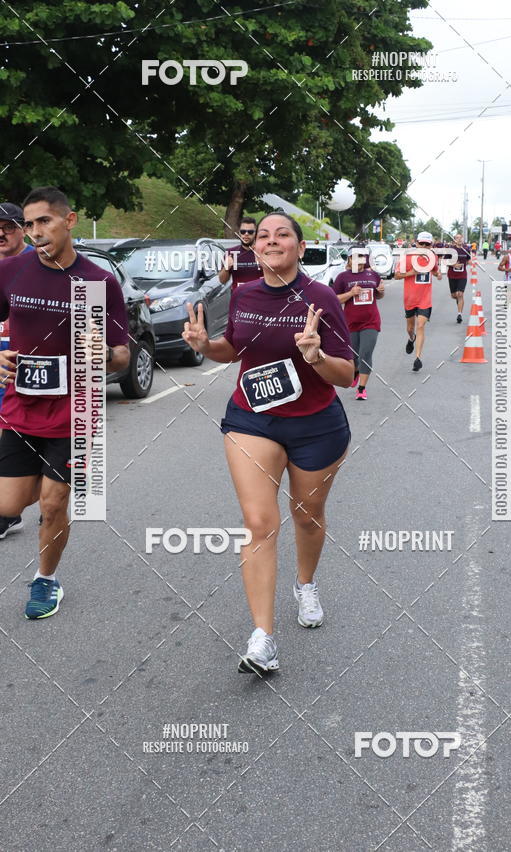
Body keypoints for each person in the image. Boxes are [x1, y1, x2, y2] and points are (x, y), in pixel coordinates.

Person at [182, 212, 354, 676]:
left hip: (316, 425)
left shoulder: (320, 298)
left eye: (283, 235)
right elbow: (233, 349)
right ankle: (263, 639)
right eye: (263, 235)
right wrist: (205, 346)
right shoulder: (244, 294)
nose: (272, 241)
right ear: (254, 247)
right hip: (252, 419)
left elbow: (347, 374)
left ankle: (306, 584)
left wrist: (316, 356)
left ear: (300, 247)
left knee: (307, 515)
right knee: (259, 524)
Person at [0, 186, 130, 617]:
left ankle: (46, 580)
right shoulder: (11, 271)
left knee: (55, 504)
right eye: (29, 224)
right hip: (21, 407)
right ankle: (47, 483)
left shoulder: (97, 282)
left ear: (69, 221)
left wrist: (103, 355)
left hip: (76, 410)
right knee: (9, 505)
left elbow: (122, 355)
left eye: (45, 221)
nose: (36, 232)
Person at [0, 203, 35, 428]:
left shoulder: (41, 263)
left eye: (8, 227)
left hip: (27, 368)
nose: (1, 234)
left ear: (24, 229)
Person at [333, 247, 384, 400]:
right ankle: (355, 371)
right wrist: (350, 293)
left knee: (365, 353)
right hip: (350, 323)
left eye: (361, 257)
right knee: (353, 356)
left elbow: (379, 295)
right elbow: (335, 300)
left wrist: (381, 291)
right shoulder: (342, 277)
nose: (358, 260)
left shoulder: (373, 275)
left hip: (371, 321)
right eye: (354, 257)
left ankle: (361, 389)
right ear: (349, 259)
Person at [394, 230, 442, 372]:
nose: (424, 247)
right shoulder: (407, 257)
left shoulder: (432, 257)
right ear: (416, 243)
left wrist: (438, 274)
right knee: (410, 329)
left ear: (431, 245)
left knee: (420, 325)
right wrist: (412, 272)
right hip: (410, 299)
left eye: (427, 244)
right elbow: (396, 275)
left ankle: (417, 358)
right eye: (422, 244)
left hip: (425, 299)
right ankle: (411, 339)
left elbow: (434, 271)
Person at [217, 216, 261, 290]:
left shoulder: (263, 252)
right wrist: (226, 268)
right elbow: (222, 281)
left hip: (258, 295)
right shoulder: (231, 252)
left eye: (250, 232)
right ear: (239, 232)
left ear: (255, 233)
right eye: (243, 231)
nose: (246, 234)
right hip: (238, 296)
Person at [446, 232, 471, 324]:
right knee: (454, 295)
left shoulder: (466, 249)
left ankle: (459, 314)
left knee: (460, 294)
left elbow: (468, 259)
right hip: (452, 275)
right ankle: (458, 298)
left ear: (463, 239)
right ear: (454, 240)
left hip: (462, 275)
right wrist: (453, 265)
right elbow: (444, 261)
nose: (459, 239)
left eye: (460, 237)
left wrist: (469, 262)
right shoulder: (451, 249)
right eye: (457, 238)